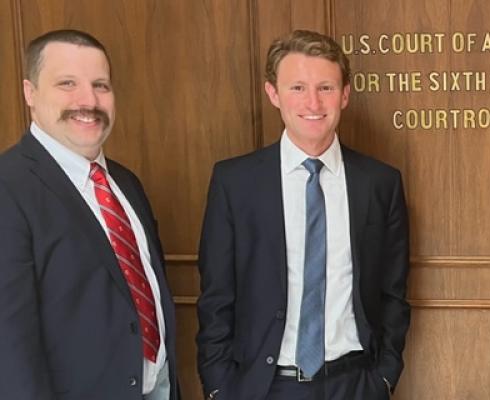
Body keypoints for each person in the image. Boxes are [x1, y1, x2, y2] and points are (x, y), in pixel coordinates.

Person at [196, 30, 410, 400]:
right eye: (297, 87)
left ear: (344, 94)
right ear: (273, 93)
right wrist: (218, 387)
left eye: (325, 87)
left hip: (356, 383)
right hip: (262, 387)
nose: (313, 102)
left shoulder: (380, 183)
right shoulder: (235, 182)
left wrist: (384, 378)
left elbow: (393, 293)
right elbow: (216, 297)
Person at [0, 29, 180, 399]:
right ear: (29, 92)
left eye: (101, 85)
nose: (88, 100)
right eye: (67, 83)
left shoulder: (125, 183)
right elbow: (9, 346)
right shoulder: (8, 188)